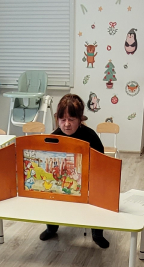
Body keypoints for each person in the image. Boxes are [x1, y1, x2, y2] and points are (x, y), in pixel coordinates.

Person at [39, 94, 109, 249]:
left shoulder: (90, 136)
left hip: (89, 180)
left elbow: (102, 163)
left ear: (80, 119)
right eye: (62, 119)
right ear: (57, 119)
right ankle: (51, 228)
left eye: (71, 119)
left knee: (98, 196)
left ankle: (97, 233)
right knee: (50, 193)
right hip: (61, 179)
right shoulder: (54, 137)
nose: (66, 124)